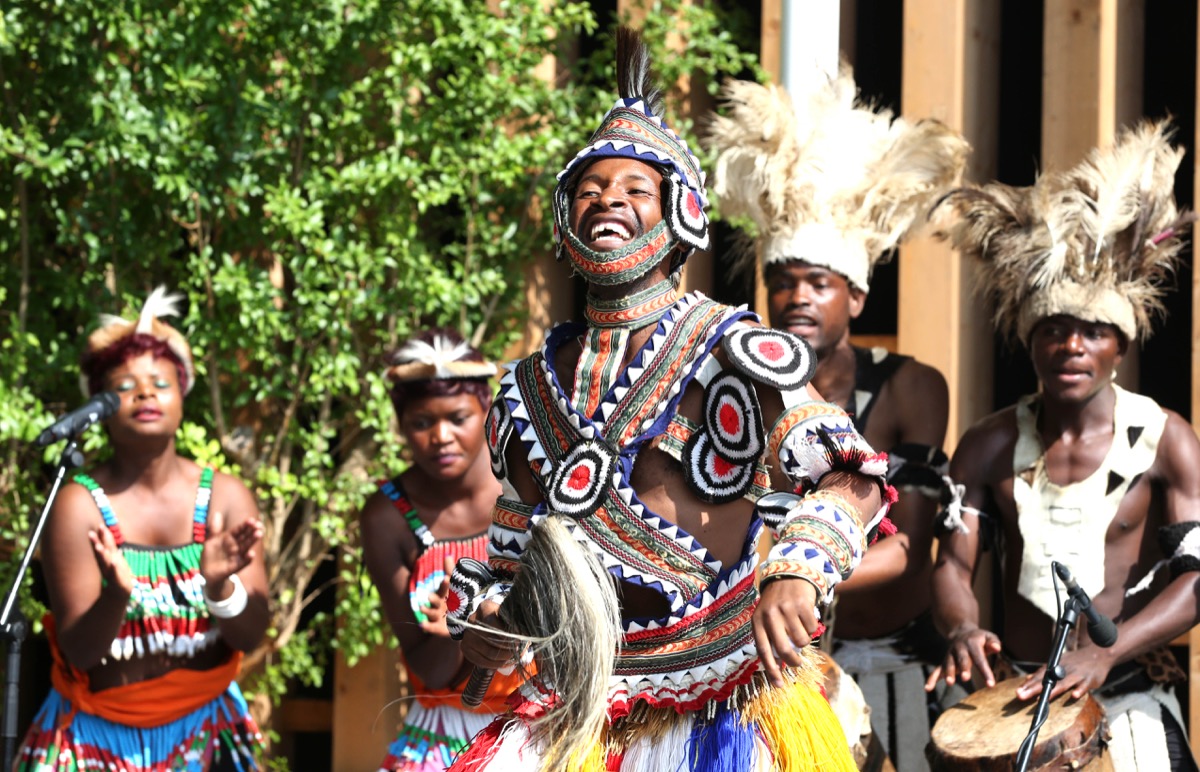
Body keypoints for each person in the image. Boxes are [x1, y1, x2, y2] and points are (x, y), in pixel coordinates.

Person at [442, 29, 890, 772]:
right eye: (588, 189)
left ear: (679, 214)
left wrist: (797, 569)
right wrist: (489, 625)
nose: (606, 200)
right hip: (574, 717)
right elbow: (514, 569)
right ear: (563, 216)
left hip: (723, 707)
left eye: (633, 189)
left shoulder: (730, 346)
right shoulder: (524, 389)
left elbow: (853, 473)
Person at [709, 70, 969, 772]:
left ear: (854, 297)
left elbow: (907, 548)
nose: (797, 297)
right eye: (783, 280)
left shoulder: (911, 387)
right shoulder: (742, 390)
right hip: (776, 658)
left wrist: (788, 570)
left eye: (817, 284)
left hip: (888, 658)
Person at [927, 121, 1200, 771]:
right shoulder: (989, 445)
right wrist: (963, 627)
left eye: (1091, 331)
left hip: (1128, 694)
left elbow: (1198, 576)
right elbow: (953, 567)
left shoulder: (1166, 440)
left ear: (1121, 344)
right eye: (1053, 329)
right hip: (1018, 697)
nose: (1071, 345)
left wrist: (1109, 650)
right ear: (1030, 340)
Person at [17, 287, 268, 771]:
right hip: (95, 742)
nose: (145, 392)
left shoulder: (225, 497)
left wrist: (218, 586)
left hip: (204, 736)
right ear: (101, 406)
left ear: (181, 398)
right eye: (126, 386)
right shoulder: (77, 505)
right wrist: (115, 596)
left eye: (160, 382)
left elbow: (250, 635)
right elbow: (82, 652)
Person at [358, 330, 525, 771]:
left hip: (538, 726)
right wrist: (453, 631)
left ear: (485, 409)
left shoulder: (529, 489)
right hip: (441, 740)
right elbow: (429, 671)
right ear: (400, 422)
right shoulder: (388, 516)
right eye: (421, 422)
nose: (441, 437)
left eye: (457, 417)